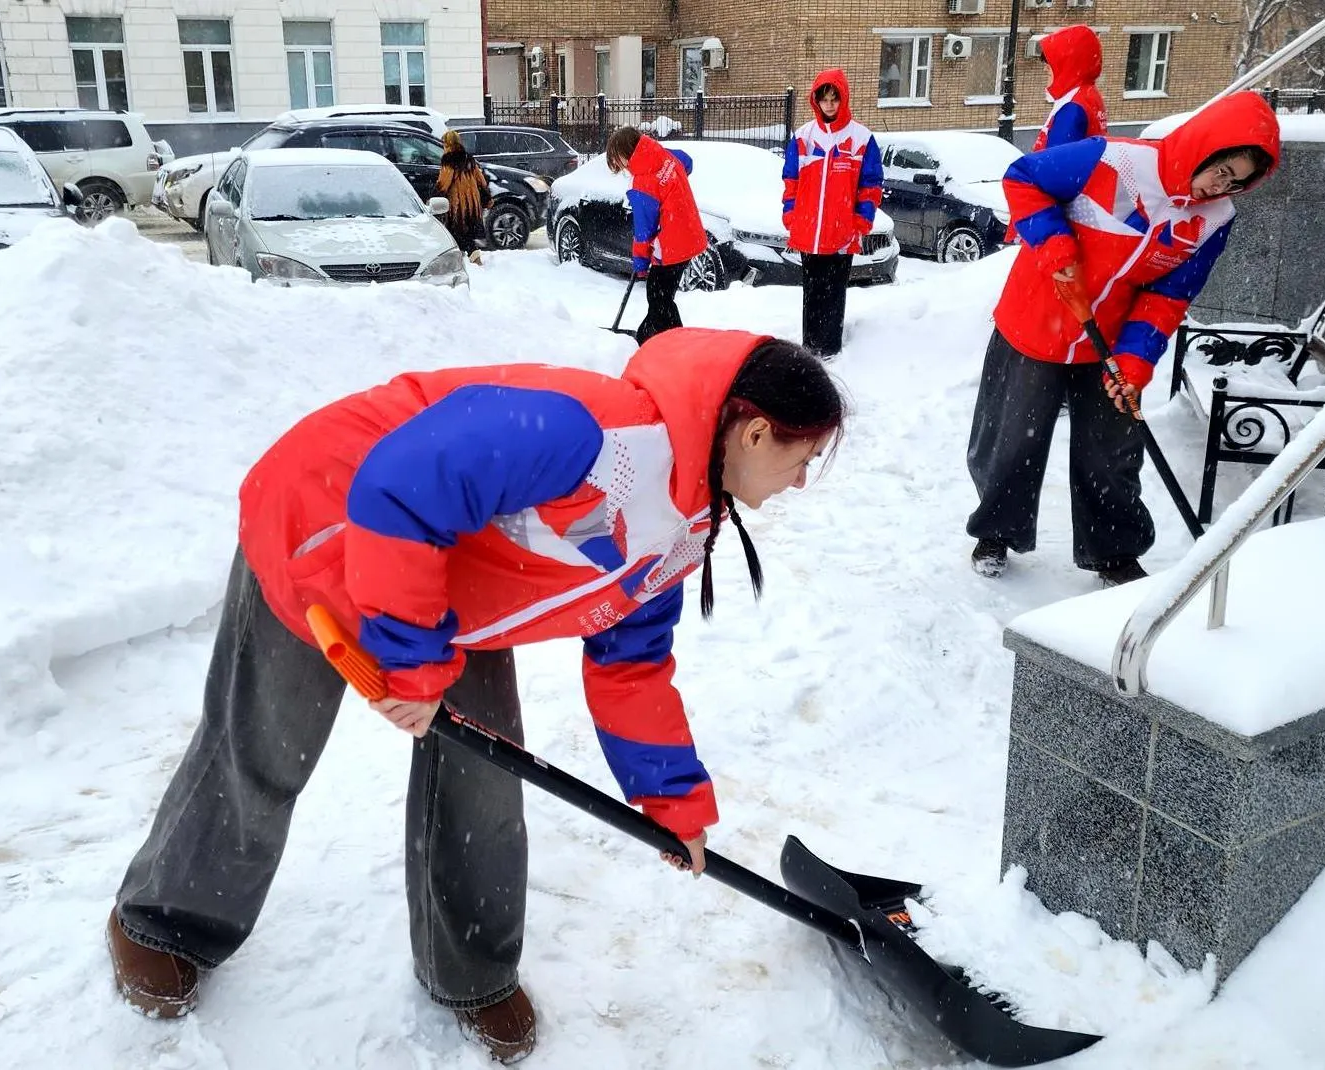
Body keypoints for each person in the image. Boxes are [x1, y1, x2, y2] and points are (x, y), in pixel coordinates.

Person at [107, 329, 847, 1064]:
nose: (802, 479)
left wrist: (673, 804)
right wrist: (415, 670)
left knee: (485, 779)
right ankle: (165, 921)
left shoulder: (684, 519)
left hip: (442, 583)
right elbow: (399, 484)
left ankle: (472, 971)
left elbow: (633, 664)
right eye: (804, 457)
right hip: (322, 522)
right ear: (754, 432)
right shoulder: (589, 433)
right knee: (264, 748)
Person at [965, 91, 1281, 586]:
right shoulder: (1114, 158)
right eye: (1222, 171)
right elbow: (1023, 178)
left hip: (1109, 340)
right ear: (1205, 147)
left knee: (1111, 449)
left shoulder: (1215, 219)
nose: (1224, 187)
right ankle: (996, 531)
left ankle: (1112, 550)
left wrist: (1136, 360)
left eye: (1239, 183)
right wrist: (1053, 241)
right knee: (1011, 438)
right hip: (1035, 317)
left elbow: (1170, 294)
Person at [780, 69, 885, 358]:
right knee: (811, 292)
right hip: (809, 232)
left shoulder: (861, 139)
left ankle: (830, 348)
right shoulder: (803, 137)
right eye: (824, 99)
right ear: (816, 101)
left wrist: (861, 220)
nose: (829, 105)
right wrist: (791, 214)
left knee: (834, 292)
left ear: (843, 100)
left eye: (834, 99)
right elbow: (791, 181)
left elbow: (871, 184)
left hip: (841, 232)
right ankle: (810, 347)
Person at [605, 127, 708, 344]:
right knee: (661, 295)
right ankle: (649, 337)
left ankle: (676, 344)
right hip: (691, 234)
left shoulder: (643, 183)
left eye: (618, 159)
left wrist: (640, 263)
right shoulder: (665, 156)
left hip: (672, 243)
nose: (621, 166)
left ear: (626, 152)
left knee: (658, 296)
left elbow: (644, 231)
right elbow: (686, 160)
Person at [1033, 25, 1108, 152]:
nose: (1045, 67)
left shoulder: (1073, 106)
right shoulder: (1087, 95)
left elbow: (1054, 161)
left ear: (1068, 63)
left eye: (1050, 61)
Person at [436, 129, 493, 262]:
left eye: (444, 143)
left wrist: (435, 196)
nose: (443, 146)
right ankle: (463, 258)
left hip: (458, 203)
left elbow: (444, 182)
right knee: (464, 232)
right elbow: (481, 179)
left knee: (457, 232)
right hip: (472, 201)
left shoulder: (448, 160)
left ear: (449, 144)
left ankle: (472, 259)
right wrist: (486, 196)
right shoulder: (468, 158)